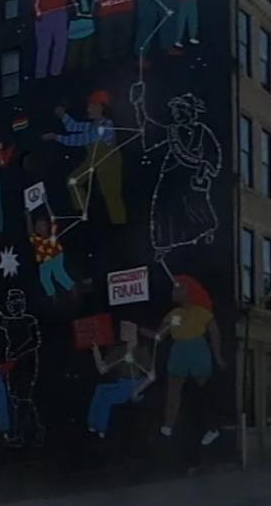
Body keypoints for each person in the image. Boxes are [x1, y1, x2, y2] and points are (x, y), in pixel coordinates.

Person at [131, 83, 221, 262]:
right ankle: (162, 245)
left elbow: (212, 154)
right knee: (163, 210)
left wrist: (204, 169)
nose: (174, 113)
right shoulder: (171, 131)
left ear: (188, 111)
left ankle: (207, 231)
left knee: (196, 208)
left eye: (178, 110)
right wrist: (138, 106)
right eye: (174, 110)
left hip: (191, 177)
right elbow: (149, 130)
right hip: (171, 177)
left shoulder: (202, 131)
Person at [141, 275, 225, 438]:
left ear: (190, 292)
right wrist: (140, 330)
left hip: (197, 349)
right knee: (173, 390)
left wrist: (218, 356)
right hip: (179, 350)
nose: (174, 292)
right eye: (174, 289)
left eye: (179, 288)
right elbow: (159, 335)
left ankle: (212, 427)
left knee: (204, 389)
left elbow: (215, 333)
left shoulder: (202, 312)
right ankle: (168, 425)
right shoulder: (174, 314)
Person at [41, 90, 127, 225]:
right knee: (73, 181)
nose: (87, 109)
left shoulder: (106, 126)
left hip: (109, 162)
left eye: (91, 106)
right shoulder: (92, 125)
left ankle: (119, 223)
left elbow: (81, 139)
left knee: (111, 194)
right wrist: (63, 115)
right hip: (93, 160)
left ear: (100, 107)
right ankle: (82, 213)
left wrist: (56, 137)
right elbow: (73, 127)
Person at [0, 284, 44, 446]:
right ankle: (35, 430)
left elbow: (35, 341)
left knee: (23, 397)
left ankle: (20, 434)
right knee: (18, 398)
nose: (12, 306)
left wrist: (18, 352)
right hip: (13, 364)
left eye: (15, 303)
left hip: (27, 362)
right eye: (10, 303)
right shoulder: (9, 322)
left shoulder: (29, 320)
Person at [87, 321, 153, 439]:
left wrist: (136, 391)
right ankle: (92, 424)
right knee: (100, 389)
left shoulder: (141, 350)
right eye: (122, 327)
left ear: (134, 330)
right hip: (121, 383)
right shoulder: (120, 350)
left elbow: (152, 376)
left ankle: (101, 429)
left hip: (133, 384)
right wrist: (96, 351)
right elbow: (102, 369)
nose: (123, 330)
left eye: (127, 327)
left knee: (106, 398)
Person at [25, 205, 75, 300]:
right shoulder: (36, 239)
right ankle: (53, 298)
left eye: (42, 225)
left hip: (55, 256)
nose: (39, 228)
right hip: (43, 261)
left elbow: (53, 219)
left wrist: (47, 205)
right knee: (45, 279)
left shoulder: (52, 234)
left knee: (59, 275)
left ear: (47, 226)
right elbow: (29, 231)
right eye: (37, 226)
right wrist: (28, 216)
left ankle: (73, 291)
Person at [34, 0, 75, 78]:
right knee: (48, 47)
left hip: (56, 13)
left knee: (56, 46)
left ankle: (51, 73)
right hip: (49, 14)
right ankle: (46, 74)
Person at [67, 0, 95, 71]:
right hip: (75, 34)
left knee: (87, 56)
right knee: (73, 58)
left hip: (89, 31)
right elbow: (72, 16)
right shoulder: (71, 0)